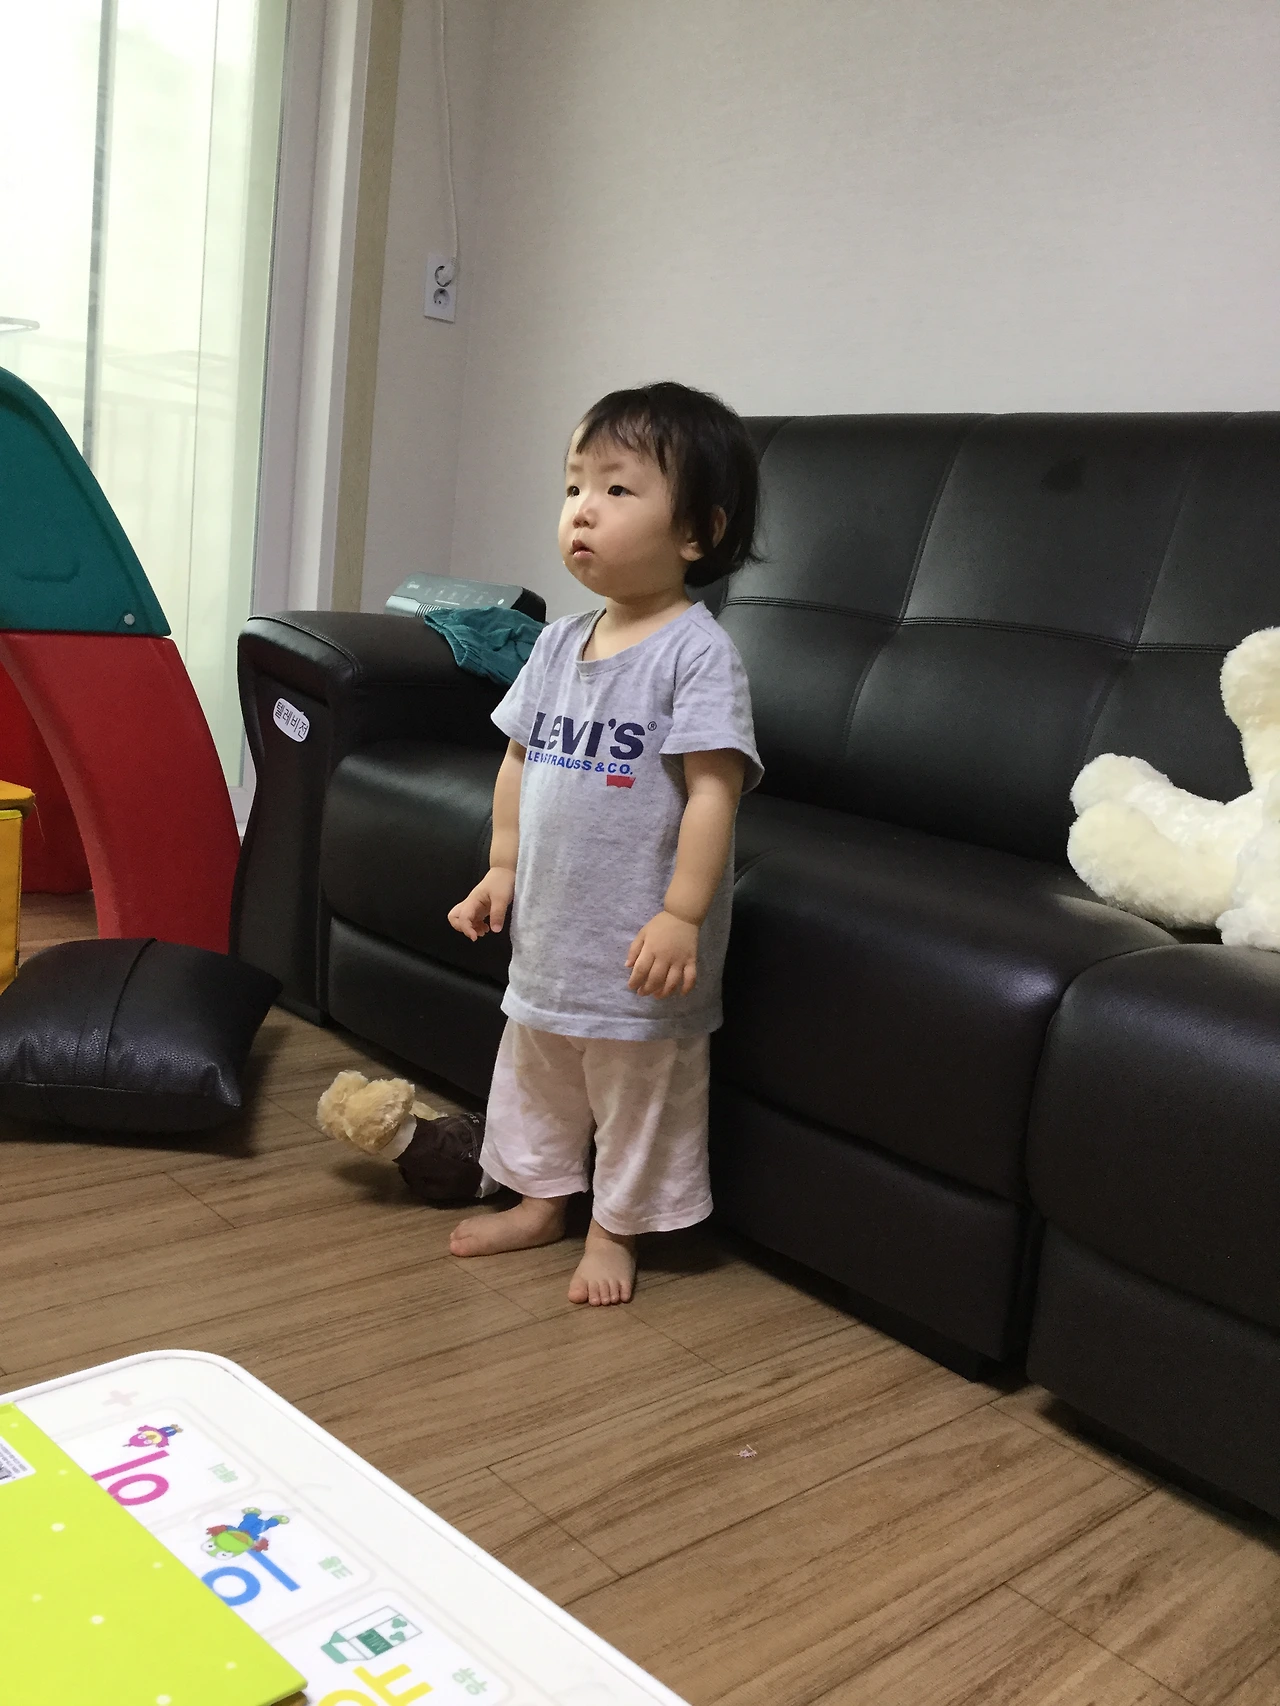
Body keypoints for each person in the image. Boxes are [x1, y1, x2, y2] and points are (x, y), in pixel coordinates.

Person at [446, 380, 763, 1305]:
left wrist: (681, 914)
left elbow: (714, 793)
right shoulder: (556, 643)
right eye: (575, 485)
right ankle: (540, 1200)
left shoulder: (697, 654)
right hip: (552, 934)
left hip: (639, 950)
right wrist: (502, 865)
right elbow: (518, 758)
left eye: (618, 489)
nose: (583, 508)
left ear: (697, 532)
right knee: (536, 1070)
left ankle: (615, 1228)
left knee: (639, 1094)